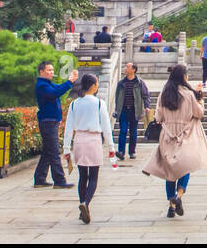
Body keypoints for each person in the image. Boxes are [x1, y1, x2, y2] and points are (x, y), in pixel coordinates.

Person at [142, 63, 207, 219]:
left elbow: (158, 118)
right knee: (185, 168)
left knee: (170, 172)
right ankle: (179, 195)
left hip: (167, 136)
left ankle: (171, 205)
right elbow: (199, 113)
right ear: (183, 77)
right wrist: (201, 100)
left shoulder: (164, 94)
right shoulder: (188, 95)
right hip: (185, 135)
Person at [62, 73, 115, 224]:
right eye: (97, 83)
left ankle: (82, 206)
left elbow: (68, 127)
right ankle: (86, 203)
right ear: (92, 86)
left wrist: (66, 148)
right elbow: (106, 126)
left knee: (82, 176)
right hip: (93, 139)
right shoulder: (99, 103)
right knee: (93, 176)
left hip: (79, 139)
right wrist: (111, 146)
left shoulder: (74, 103)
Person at [34, 61, 78, 188]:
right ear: (41, 72)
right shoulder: (42, 85)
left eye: (53, 70)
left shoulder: (48, 84)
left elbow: (57, 89)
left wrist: (70, 81)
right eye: (49, 70)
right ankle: (59, 180)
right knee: (53, 152)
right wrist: (69, 81)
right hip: (47, 121)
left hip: (51, 120)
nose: (52, 73)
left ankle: (39, 178)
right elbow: (55, 93)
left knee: (48, 151)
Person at [110, 63, 151, 161]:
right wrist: (117, 109)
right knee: (123, 131)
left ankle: (132, 152)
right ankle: (121, 152)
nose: (125, 68)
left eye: (127, 67)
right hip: (123, 110)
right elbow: (117, 97)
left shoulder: (139, 82)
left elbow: (146, 95)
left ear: (133, 70)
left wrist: (147, 106)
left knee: (133, 132)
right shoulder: (121, 83)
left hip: (134, 110)